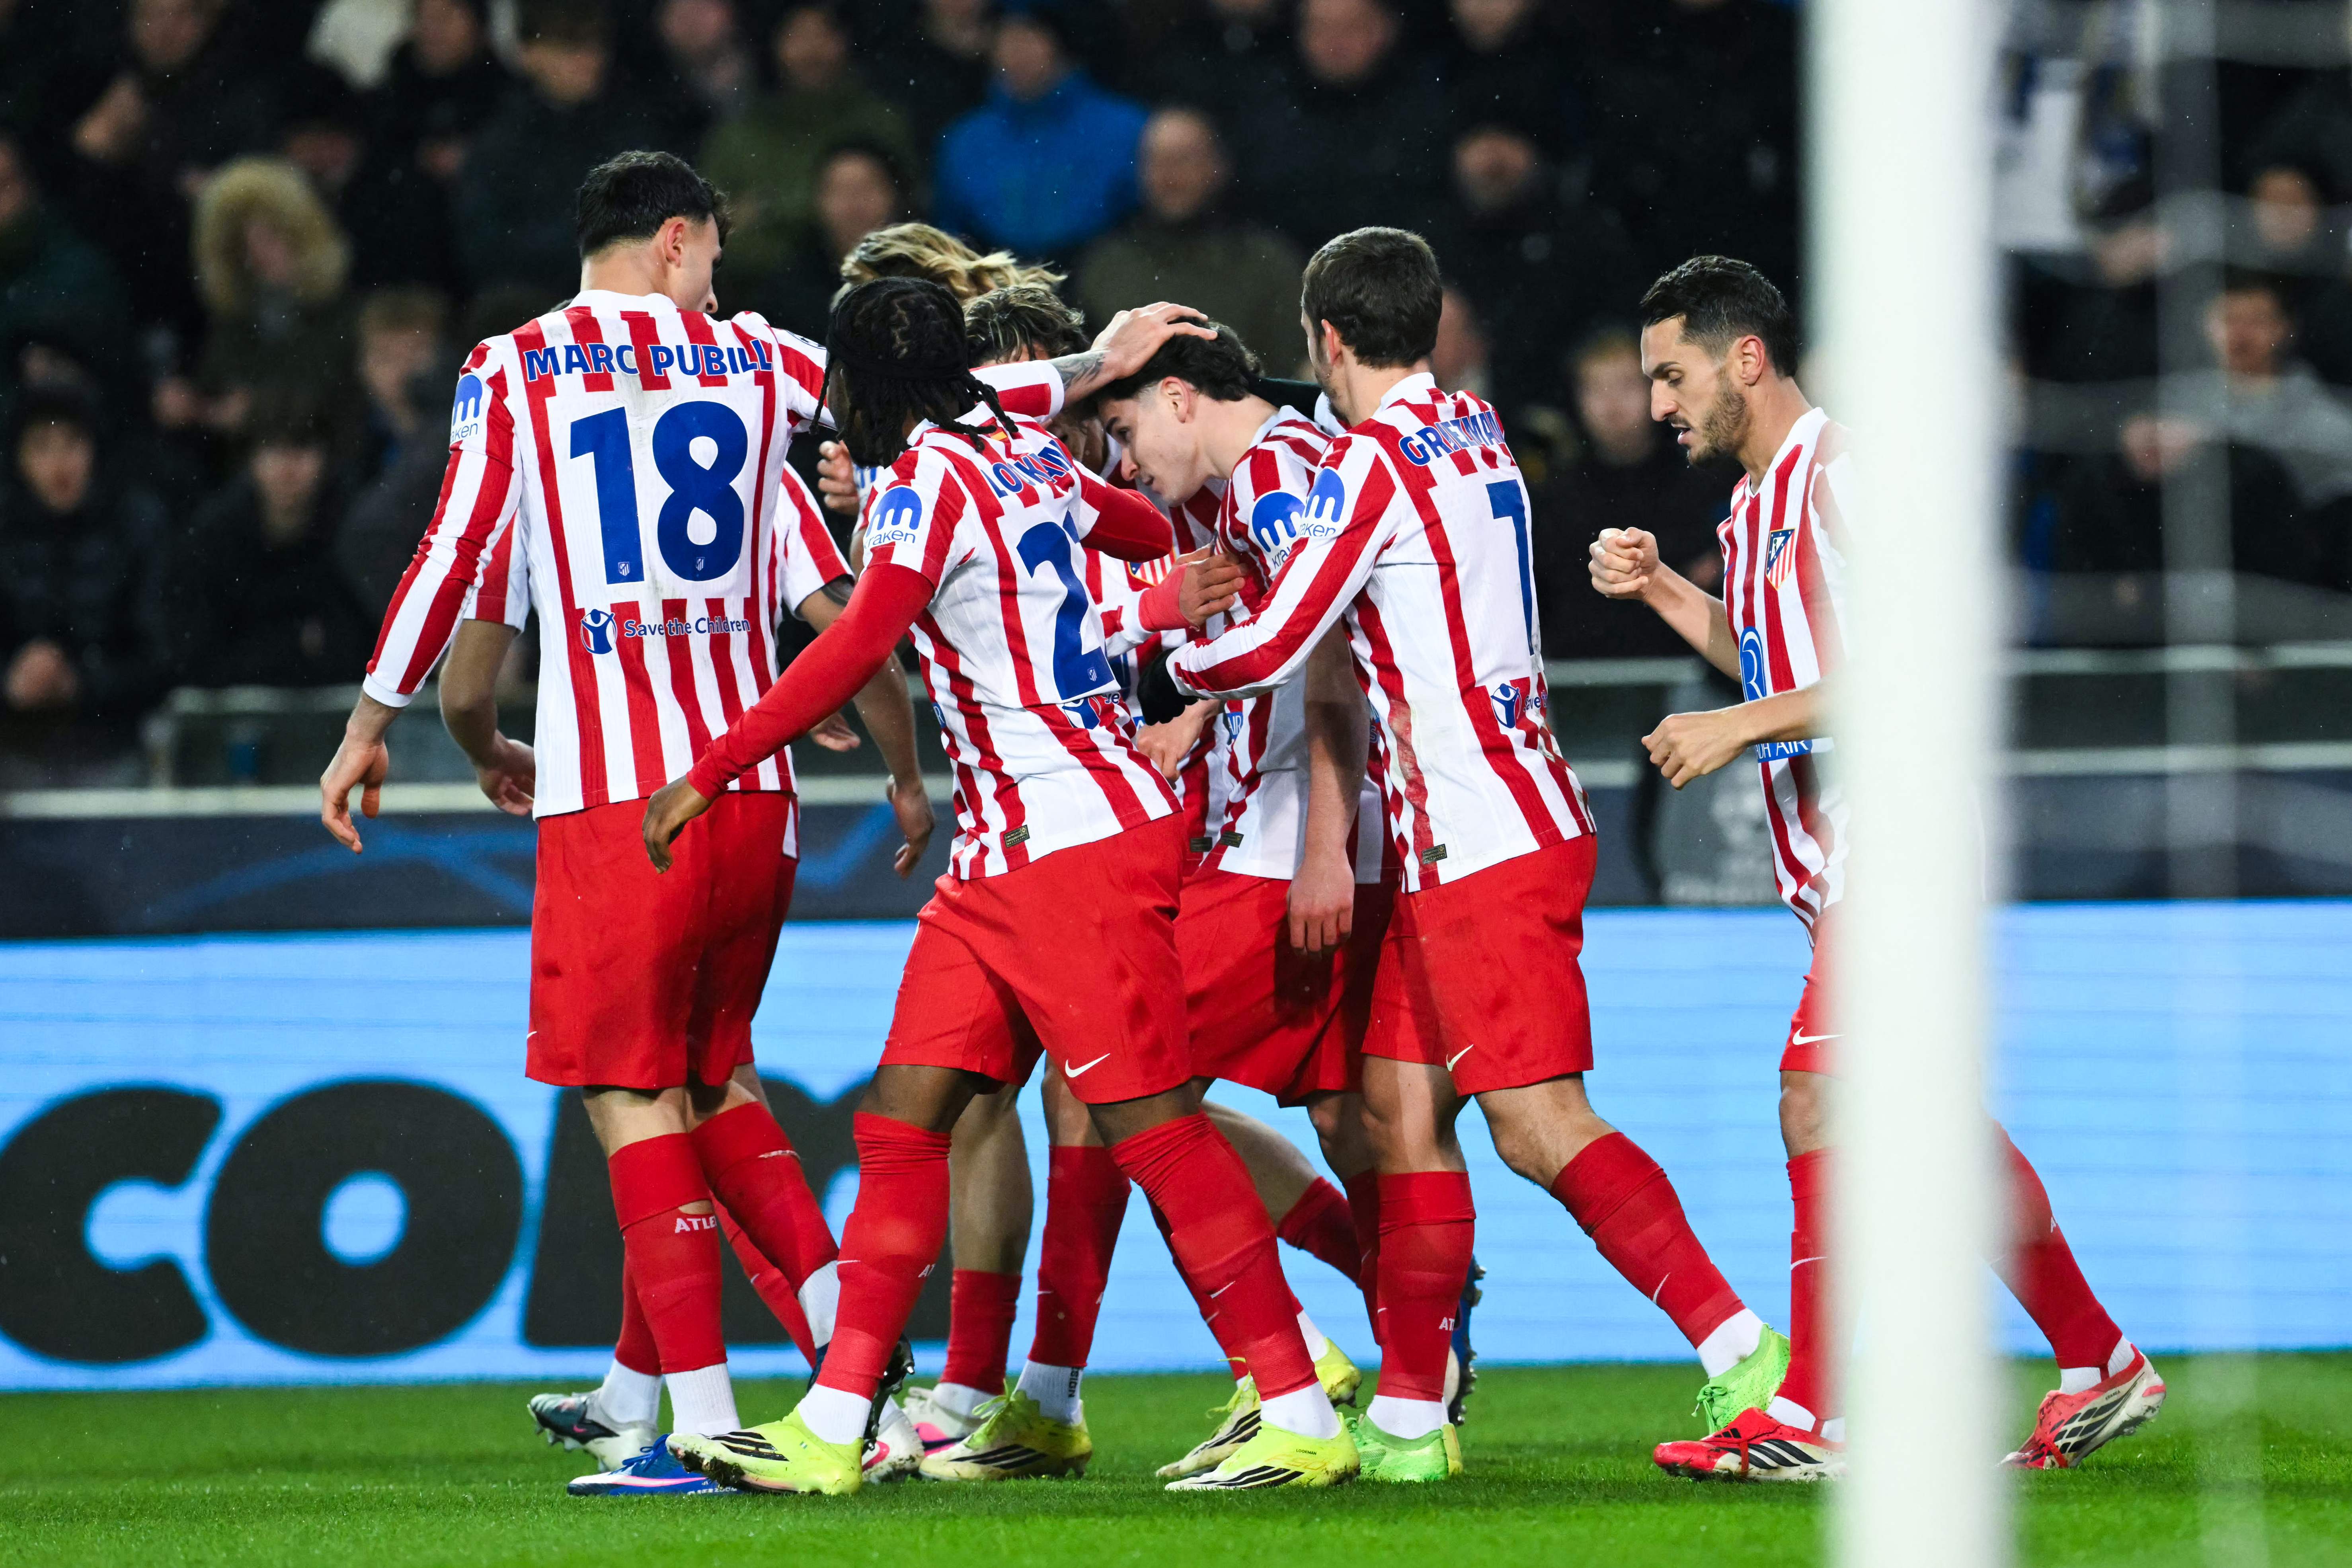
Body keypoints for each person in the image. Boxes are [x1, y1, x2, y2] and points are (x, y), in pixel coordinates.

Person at [651, 276, 1361, 1495]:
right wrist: (1145, 597)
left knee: (1149, 1123)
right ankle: (833, 1421)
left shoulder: (926, 480)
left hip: (1071, 844)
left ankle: (1296, 1404)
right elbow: (1139, 530)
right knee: (903, 1112)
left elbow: (863, 637)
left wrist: (711, 766)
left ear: (868, 389)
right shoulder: (1018, 450)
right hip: (1009, 852)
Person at [1166, 228, 1781, 1482]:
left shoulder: (1367, 469)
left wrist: (1162, 657)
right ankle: (1406, 1415)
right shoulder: (1476, 425)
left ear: (1325, 339)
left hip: (1482, 834)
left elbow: (1275, 637)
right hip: (1476, 822)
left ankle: (1736, 1344)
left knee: (1537, 1124)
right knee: (1397, 1109)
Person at [1594, 254, 2165, 1479]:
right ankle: (2097, 1357)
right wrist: (1661, 593)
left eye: (1671, 374)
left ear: (1744, 355)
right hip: (1837, 862)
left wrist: (1737, 726)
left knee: (1814, 1096)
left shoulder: (1844, 476)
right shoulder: (1753, 506)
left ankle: (1811, 1410)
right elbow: (1765, 664)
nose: (1657, 405)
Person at [696, 4, 917, 307]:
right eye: (797, 34)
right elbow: (712, 243)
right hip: (759, 306)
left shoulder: (882, 124)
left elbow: (911, 216)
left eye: (823, 33)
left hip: (884, 293)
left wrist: (769, 211)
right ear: (774, 43)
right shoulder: (739, 137)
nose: (812, 50)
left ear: (845, 40)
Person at [1531, 329, 1730, 659]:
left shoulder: (1707, 483)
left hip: (1693, 680)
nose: (1612, 404)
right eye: (1596, 388)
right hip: (1580, 684)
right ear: (1576, 397)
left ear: (1655, 390)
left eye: (1626, 385)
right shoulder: (1554, 500)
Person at [1076, 108, 1305, 376]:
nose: (1169, 175)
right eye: (1156, 160)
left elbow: (1294, 372)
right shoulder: (1104, 267)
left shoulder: (1270, 265)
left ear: (1218, 166)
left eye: (1184, 159)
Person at [167, 398, 371, 689]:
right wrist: (297, 645)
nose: (287, 469)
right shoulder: (213, 536)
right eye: (274, 450)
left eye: (301, 449)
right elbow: (196, 653)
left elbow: (361, 647)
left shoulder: (355, 531)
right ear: (252, 459)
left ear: (326, 459)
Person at [0, 383, 169, 727]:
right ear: (19, 458)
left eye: (72, 444)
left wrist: (83, 684)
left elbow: (161, 654)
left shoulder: (137, 525)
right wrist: (10, 678)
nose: (59, 464)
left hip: (114, 735)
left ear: (95, 448)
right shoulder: (5, 527)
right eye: (42, 447)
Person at [931, 2, 1148, 261]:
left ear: (1063, 43)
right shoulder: (964, 141)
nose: (1017, 51)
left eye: (1032, 36)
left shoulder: (1128, 130)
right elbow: (952, 243)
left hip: (1106, 284)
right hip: (995, 287)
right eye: (1005, 37)